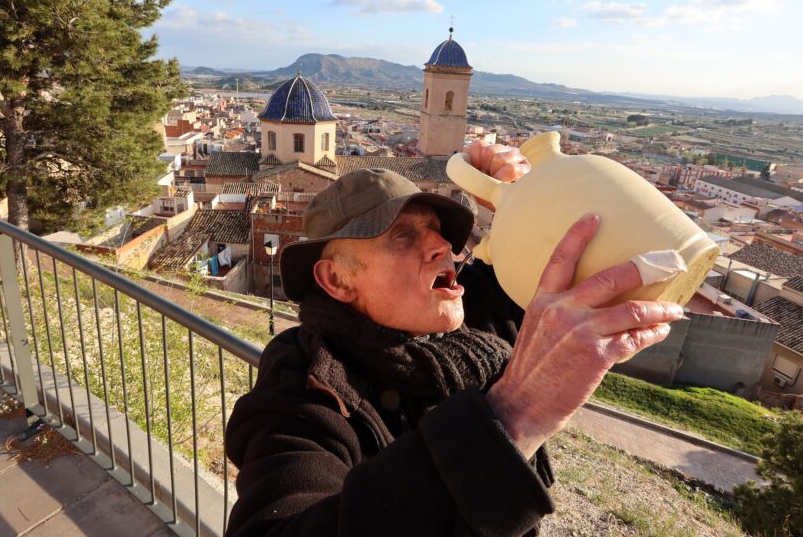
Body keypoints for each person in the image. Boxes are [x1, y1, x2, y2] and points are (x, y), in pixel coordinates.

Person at [225, 142, 684, 536]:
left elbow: (558, 263)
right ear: (337, 280)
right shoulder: (303, 394)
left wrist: (526, 203)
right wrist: (513, 413)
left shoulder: (474, 325)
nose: (443, 246)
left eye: (438, 232)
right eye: (402, 235)